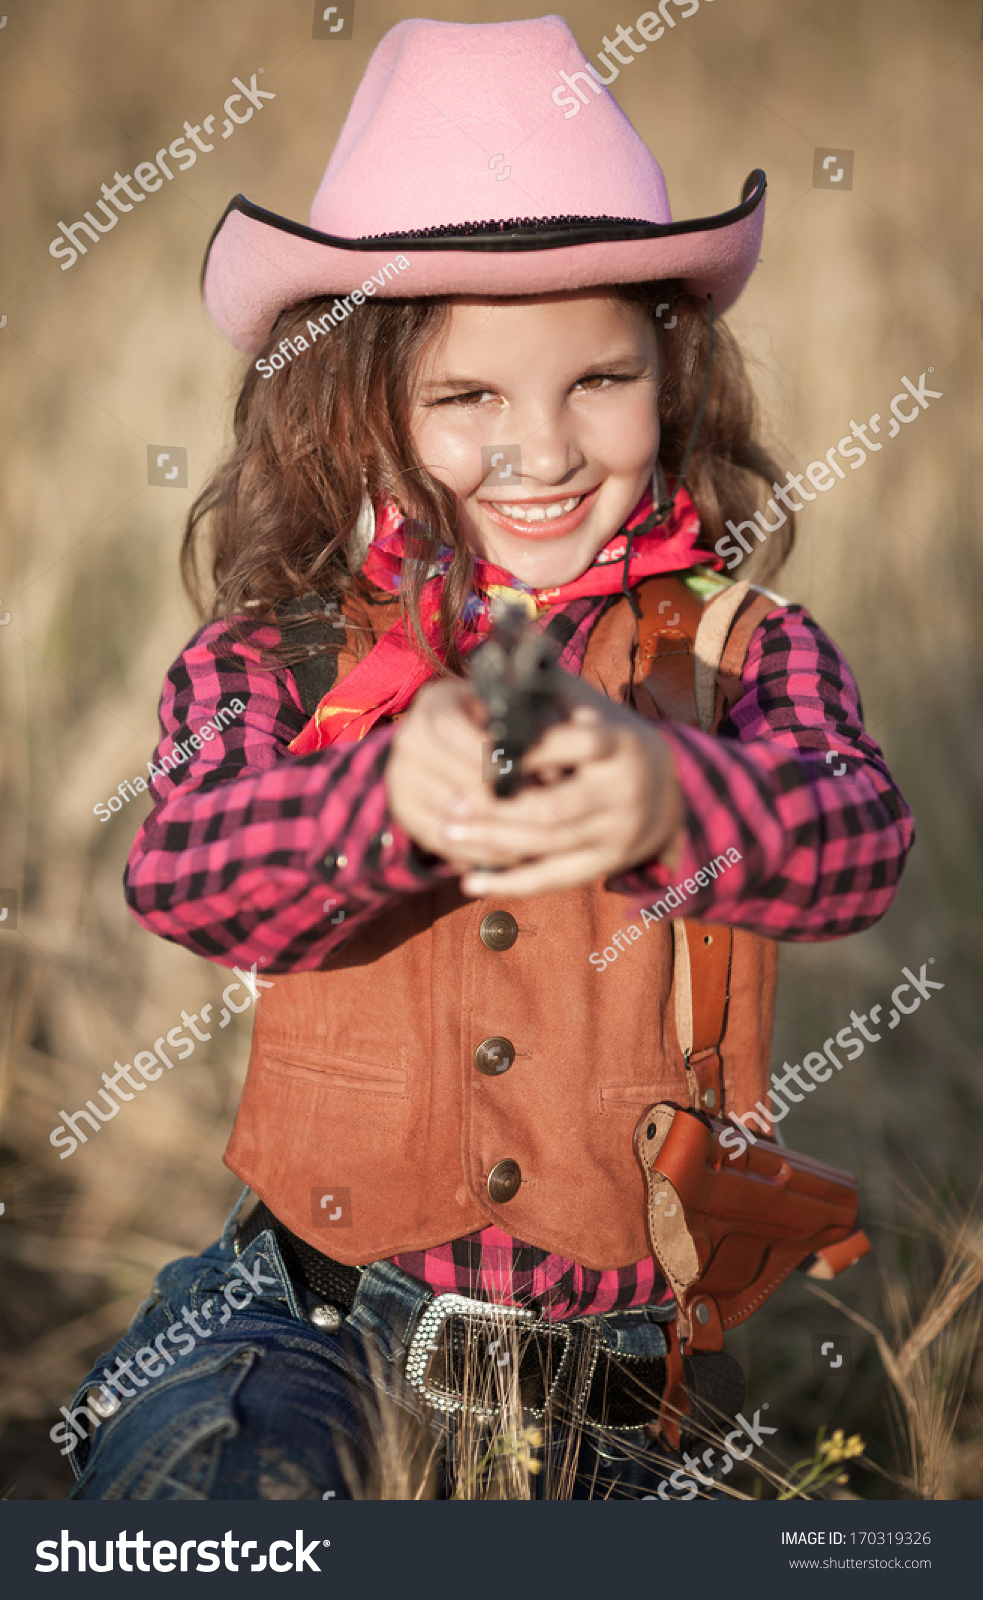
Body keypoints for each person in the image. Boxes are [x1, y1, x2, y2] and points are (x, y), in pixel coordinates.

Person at [64, 16, 912, 1501]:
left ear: (672, 374)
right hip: (303, 1339)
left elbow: (858, 840)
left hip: (615, 1402)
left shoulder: (743, 650)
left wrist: (669, 795)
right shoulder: (275, 659)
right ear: (356, 409)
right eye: (467, 399)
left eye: (599, 381)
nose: (543, 453)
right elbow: (181, 869)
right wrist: (382, 798)